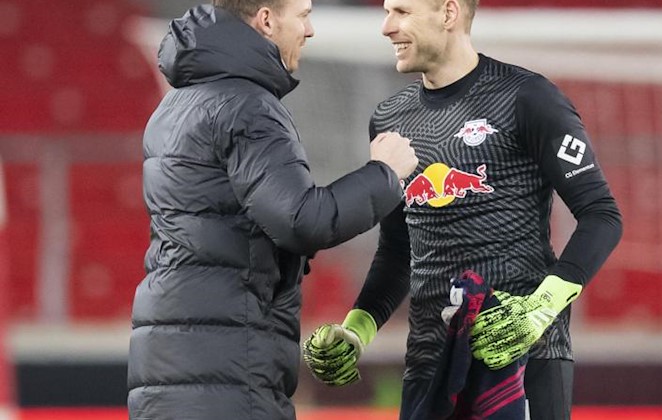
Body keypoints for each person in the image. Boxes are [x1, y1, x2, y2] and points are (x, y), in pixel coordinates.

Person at [303, 0, 623, 419]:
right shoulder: (389, 119)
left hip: (523, 361)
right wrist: (357, 329)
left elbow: (602, 215)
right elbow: (399, 250)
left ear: (449, 13)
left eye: (401, 12)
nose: (386, 27)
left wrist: (539, 310)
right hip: (427, 366)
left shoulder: (527, 97)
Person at [126, 0, 418, 418]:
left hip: (171, 368)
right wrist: (386, 173)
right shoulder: (246, 107)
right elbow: (301, 220)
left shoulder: (175, 106)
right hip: (225, 372)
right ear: (266, 19)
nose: (310, 30)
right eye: (303, 15)